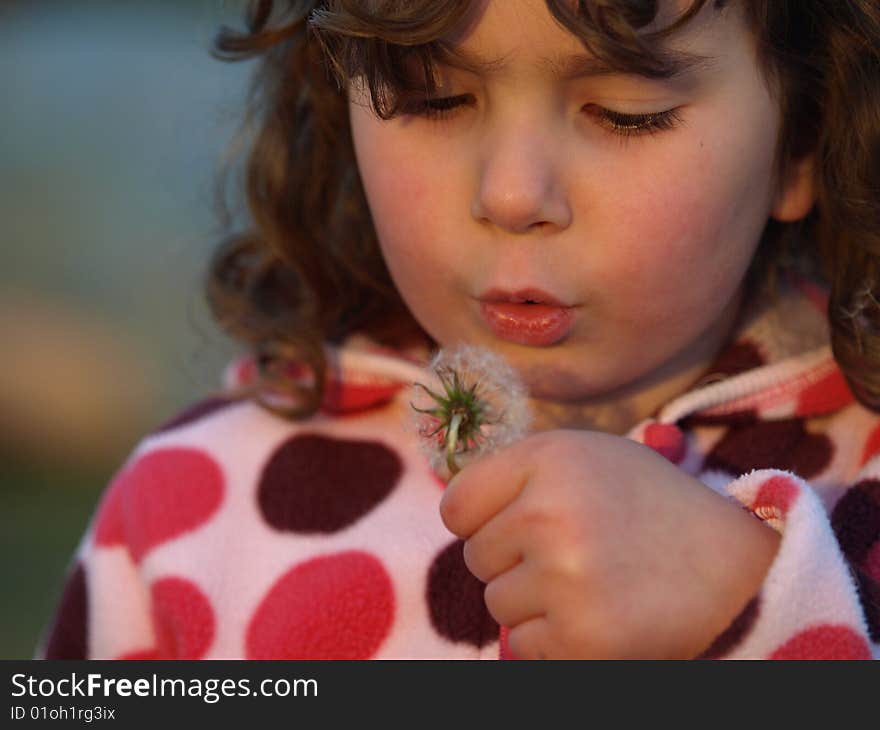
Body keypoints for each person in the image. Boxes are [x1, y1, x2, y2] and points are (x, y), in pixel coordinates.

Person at [40, 0, 880, 660]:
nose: (512, 195)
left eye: (624, 112)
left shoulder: (860, 485)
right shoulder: (188, 506)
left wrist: (754, 611)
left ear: (800, 141)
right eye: (430, 97)